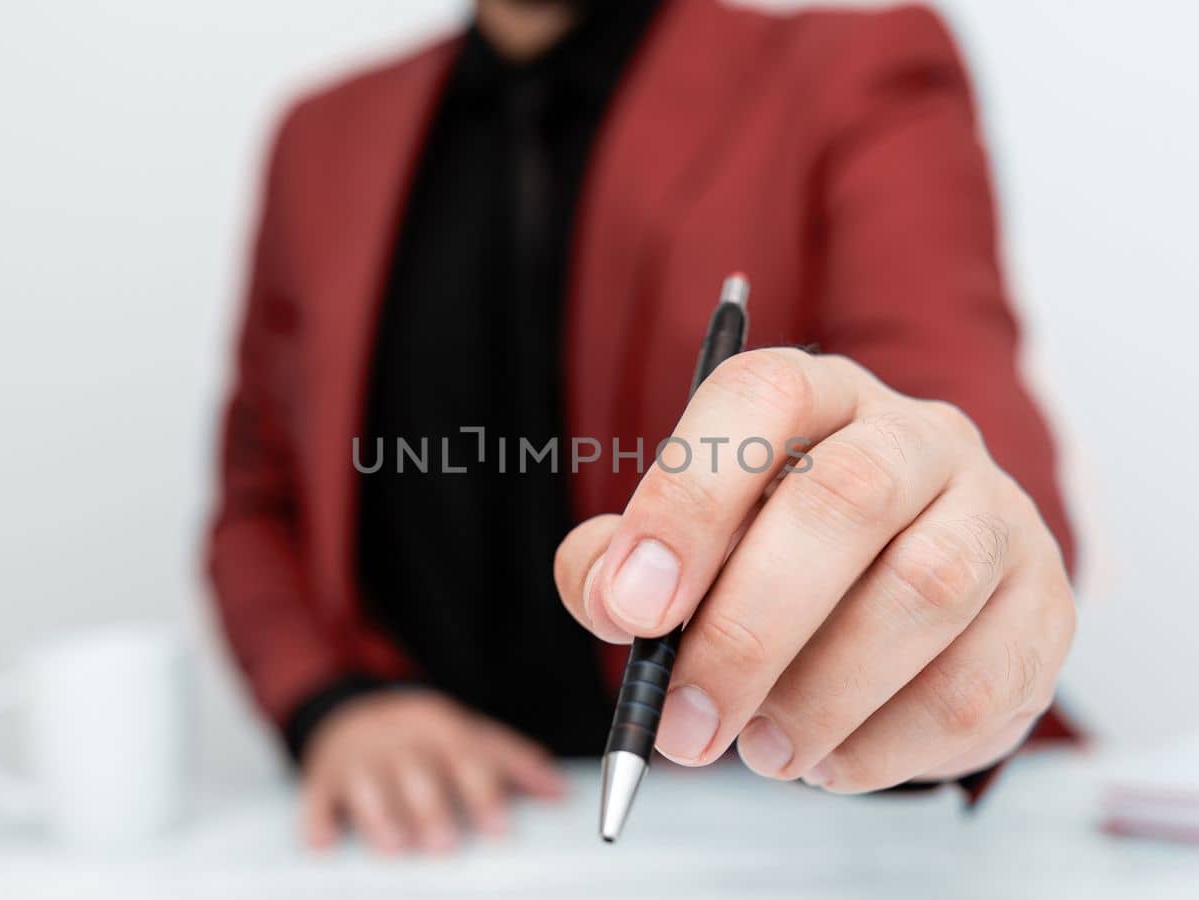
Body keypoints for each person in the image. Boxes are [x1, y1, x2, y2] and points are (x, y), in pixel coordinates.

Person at [208, 0, 1078, 855]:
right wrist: (333, 702)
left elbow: (966, 436)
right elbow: (258, 499)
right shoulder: (321, 137)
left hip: (793, 825)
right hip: (449, 844)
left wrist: (961, 559)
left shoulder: (854, 70)